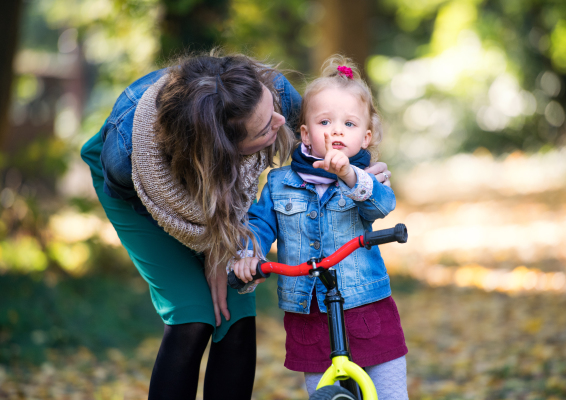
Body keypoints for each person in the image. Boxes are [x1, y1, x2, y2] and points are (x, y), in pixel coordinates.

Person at [80, 50, 392, 400]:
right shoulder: (125, 163)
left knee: (235, 309)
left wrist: (364, 175)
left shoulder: (277, 99)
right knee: (193, 317)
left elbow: (330, 144)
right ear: (227, 151)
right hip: (139, 195)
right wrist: (212, 245)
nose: (279, 120)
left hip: (211, 184)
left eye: (270, 107)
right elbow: (169, 199)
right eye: (263, 128)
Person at [232, 55, 409, 399]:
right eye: (325, 121)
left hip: (365, 306)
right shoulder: (280, 182)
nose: (337, 130)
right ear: (305, 135)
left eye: (350, 124)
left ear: (367, 136)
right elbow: (260, 224)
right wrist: (248, 254)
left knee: (388, 392)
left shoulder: (365, 180)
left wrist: (348, 174)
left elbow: (381, 206)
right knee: (322, 393)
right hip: (308, 311)